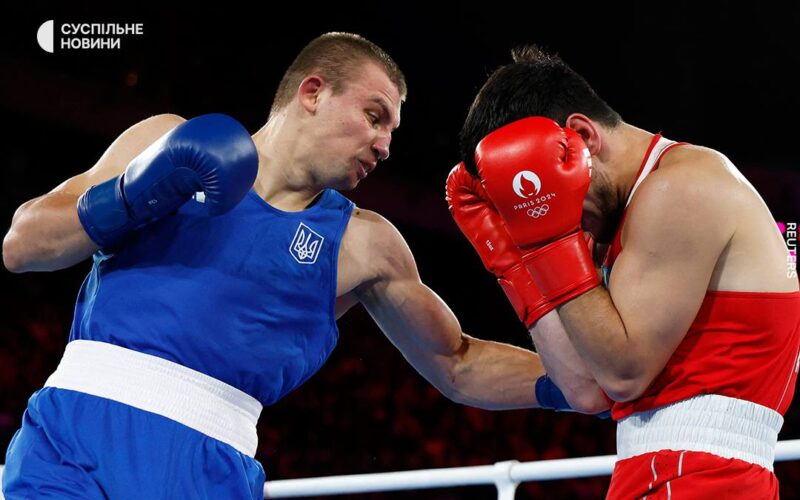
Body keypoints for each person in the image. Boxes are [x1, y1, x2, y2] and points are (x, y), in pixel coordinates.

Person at [1, 33, 607, 499]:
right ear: (313, 93)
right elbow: (22, 245)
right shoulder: (164, 140)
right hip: (70, 434)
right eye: (375, 117)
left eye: (393, 130)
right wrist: (135, 193)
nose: (385, 144)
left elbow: (458, 362)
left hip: (205, 465)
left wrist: (580, 382)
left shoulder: (364, 244)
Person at [451, 45, 800, 498]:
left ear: (581, 137)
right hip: (662, 472)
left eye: (540, 193)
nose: (566, 223)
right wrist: (512, 255)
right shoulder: (625, 221)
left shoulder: (683, 185)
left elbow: (622, 374)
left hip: (701, 478)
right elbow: (586, 389)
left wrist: (545, 241)